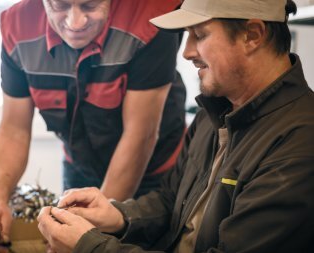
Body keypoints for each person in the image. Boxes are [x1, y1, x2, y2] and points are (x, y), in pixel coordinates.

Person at [37, 0, 314, 252]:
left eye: (200, 35)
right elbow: (172, 200)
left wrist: (91, 246)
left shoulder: (300, 144)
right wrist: (120, 216)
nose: (186, 52)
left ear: (252, 35)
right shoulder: (214, 112)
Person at [0, 0, 187, 252]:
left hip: (155, 176)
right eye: (60, 5)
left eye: (89, 5)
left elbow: (140, 134)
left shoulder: (150, 18)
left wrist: (90, 237)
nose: (75, 22)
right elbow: (13, 129)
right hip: (81, 163)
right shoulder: (17, 25)